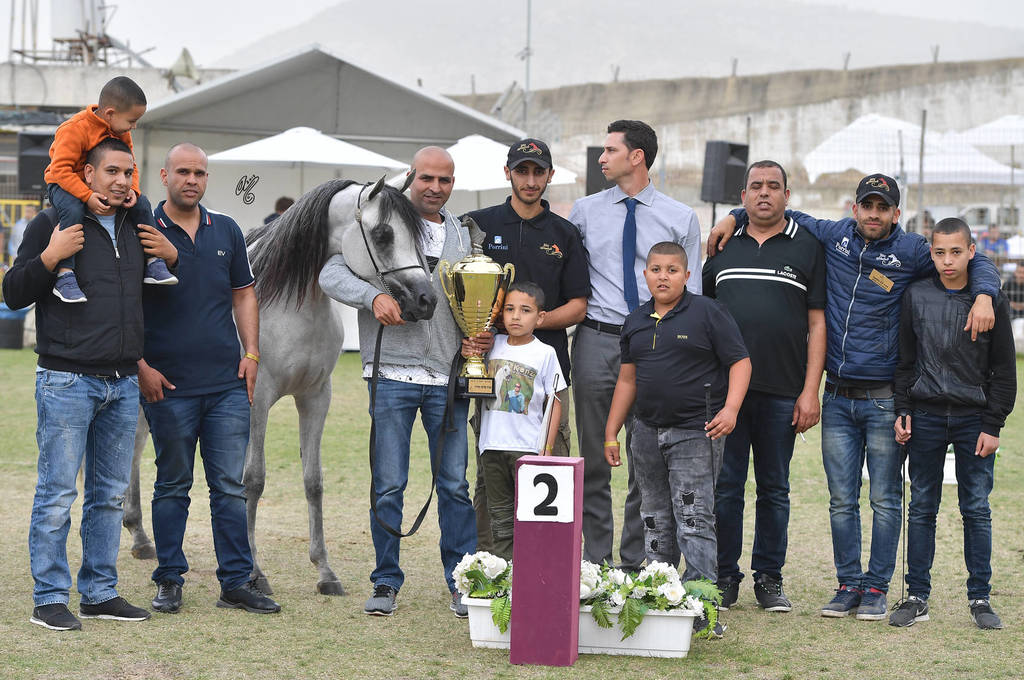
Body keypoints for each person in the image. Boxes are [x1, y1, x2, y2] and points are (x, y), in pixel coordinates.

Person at [708, 173, 1001, 620]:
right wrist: (731, 216)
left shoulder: (914, 252)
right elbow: (777, 211)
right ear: (854, 208)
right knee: (840, 500)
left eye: (883, 207)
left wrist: (984, 295)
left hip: (885, 398)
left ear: (896, 215)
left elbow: (965, 259)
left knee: (885, 499)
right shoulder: (833, 235)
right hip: (838, 398)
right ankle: (847, 585)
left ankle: (878, 587)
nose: (873, 214)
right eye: (867, 205)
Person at [3, 137, 178, 631]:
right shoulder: (51, 223)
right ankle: (49, 599)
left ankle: (99, 593)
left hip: (122, 383)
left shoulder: (140, 225)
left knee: (108, 496)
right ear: (88, 172)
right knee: (58, 494)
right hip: (66, 379)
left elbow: (164, 291)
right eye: (112, 172)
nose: (123, 181)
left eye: (129, 173)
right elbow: (14, 292)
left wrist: (174, 256)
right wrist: (49, 256)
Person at [319, 146, 477, 618]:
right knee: (389, 485)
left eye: (444, 181)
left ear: (453, 185)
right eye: (427, 178)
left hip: (448, 378)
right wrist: (370, 297)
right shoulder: (379, 218)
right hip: (390, 374)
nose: (434, 187)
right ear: (411, 176)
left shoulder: (464, 236)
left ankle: (460, 581)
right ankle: (385, 582)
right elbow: (330, 269)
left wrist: (478, 334)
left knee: (453, 485)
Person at [138, 143, 280, 615]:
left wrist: (253, 352)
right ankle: (169, 579)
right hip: (168, 385)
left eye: (200, 172)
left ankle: (236, 582)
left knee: (230, 486)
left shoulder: (228, 230)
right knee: (173, 485)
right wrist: (141, 366)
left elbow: (244, 294)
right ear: (164, 175)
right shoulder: (142, 230)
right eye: (183, 171)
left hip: (226, 386)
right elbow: (124, 303)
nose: (192, 179)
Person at [570, 119, 702, 571]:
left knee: (644, 458)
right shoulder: (584, 211)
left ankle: (634, 563)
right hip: (597, 339)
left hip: (655, 347)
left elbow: (692, 292)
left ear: (637, 156)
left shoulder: (680, 216)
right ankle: (594, 562)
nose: (602, 158)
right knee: (593, 455)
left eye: (609, 150)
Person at [604, 242, 749, 634]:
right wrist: (611, 432)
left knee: (694, 517)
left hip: (695, 433)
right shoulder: (634, 321)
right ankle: (658, 596)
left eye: (672, 270)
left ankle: (704, 605)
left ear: (687, 276)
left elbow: (740, 361)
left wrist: (730, 410)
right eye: (655, 269)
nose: (663, 276)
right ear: (645, 274)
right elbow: (627, 379)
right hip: (645, 432)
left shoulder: (708, 313)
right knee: (654, 518)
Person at [702, 161, 826, 613]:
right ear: (744, 194)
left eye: (774, 186)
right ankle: (724, 575)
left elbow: (817, 322)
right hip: (726, 397)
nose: (765, 194)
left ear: (787, 195)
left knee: (774, 488)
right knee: (727, 486)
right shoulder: (720, 245)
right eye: (756, 186)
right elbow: (706, 320)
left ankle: (769, 578)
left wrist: (810, 390)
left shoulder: (808, 246)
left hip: (782, 393)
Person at [462, 137, 590, 552]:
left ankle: (551, 565)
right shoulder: (478, 225)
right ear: (508, 173)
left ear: (550, 175)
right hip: (490, 371)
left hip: (548, 378)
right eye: (523, 171)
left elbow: (578, 306)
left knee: (552, 468)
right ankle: (488, 571)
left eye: (539, 172)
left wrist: (529, 326)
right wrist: (486, 332)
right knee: (490, 477)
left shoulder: (565, 234)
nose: (531, 180)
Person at [889, 218, 1016, 630]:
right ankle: (916, 595)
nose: (947, 260)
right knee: (922, 507)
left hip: (973, 420)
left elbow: (1004, 371)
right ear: (932, 253)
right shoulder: (915, 295)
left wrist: (993, 424)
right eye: (940, 252)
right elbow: (905, 362)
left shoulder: (990, 300)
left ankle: (980, 597)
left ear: (971, 252)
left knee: (976, 509)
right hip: (924, 416)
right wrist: (902, 409)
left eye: (956, 252)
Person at [43, 76, 176, 304]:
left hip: (92, 187)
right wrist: (87, 196)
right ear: (110, 114)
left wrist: (133, 189)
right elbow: (60, 170)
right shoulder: (74, 130)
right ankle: (65, 275)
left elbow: (131, 165)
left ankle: (154, 262)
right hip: (63, 183)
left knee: (142, 203)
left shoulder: (120, 130)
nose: (134, 126)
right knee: (73, 210)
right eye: (132, 120)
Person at [477, 282, 566, 560]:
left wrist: (547, 448)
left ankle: (531, 572)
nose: (516, 316)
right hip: (491, 447)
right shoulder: (492, 345)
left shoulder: (545, 353)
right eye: (510, 309)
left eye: (525, 310)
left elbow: (556, 402)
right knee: (500, 519)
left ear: (539, 317)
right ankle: (504, 574)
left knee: (529, 517)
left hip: (527, 449)